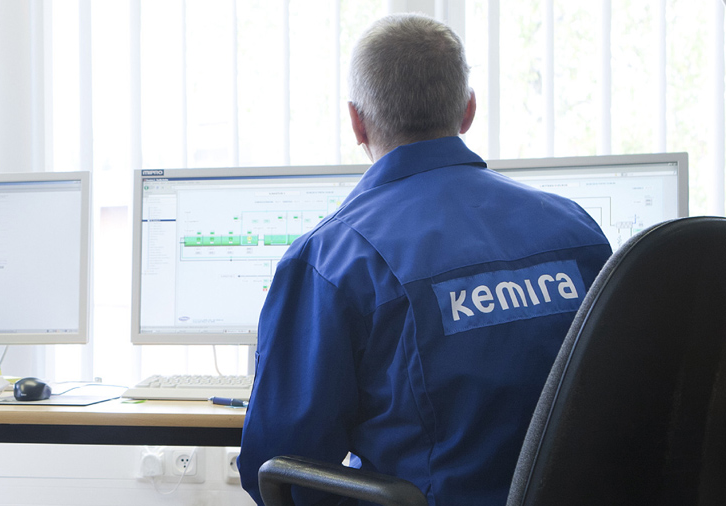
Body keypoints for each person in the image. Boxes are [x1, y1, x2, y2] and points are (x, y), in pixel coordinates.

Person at [238, 12, 612, 506]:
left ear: (356, 120)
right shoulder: (578, 231)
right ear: (468, 111)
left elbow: (283, 469)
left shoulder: (332, 261)